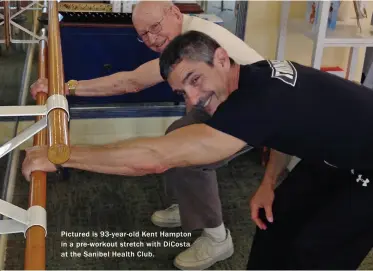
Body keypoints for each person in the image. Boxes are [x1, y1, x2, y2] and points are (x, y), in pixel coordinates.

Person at [25, 30, 373, 269]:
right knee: (275, 226)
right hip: (336, 155)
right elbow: (283, 129)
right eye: (182, 92)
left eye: (194, 80)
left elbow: (156, 158)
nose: (193, 99)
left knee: (314, 252)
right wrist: (268, 183)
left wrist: (61, 154)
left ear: (221, 59)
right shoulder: (253, 76)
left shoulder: (255, 101)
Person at [29, 1, 268, 269]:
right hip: (224, 102)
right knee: (176, 133)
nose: (152, 39)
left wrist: (64, 89)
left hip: (255, 111)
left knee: (189, 158)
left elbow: (130, 82)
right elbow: (132, 80)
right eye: (143, 34)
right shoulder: (184, 36)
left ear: (175, 14)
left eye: (155, 27)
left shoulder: (196, 40)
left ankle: (217, 238)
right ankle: (191, 204)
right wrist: (65, 88)